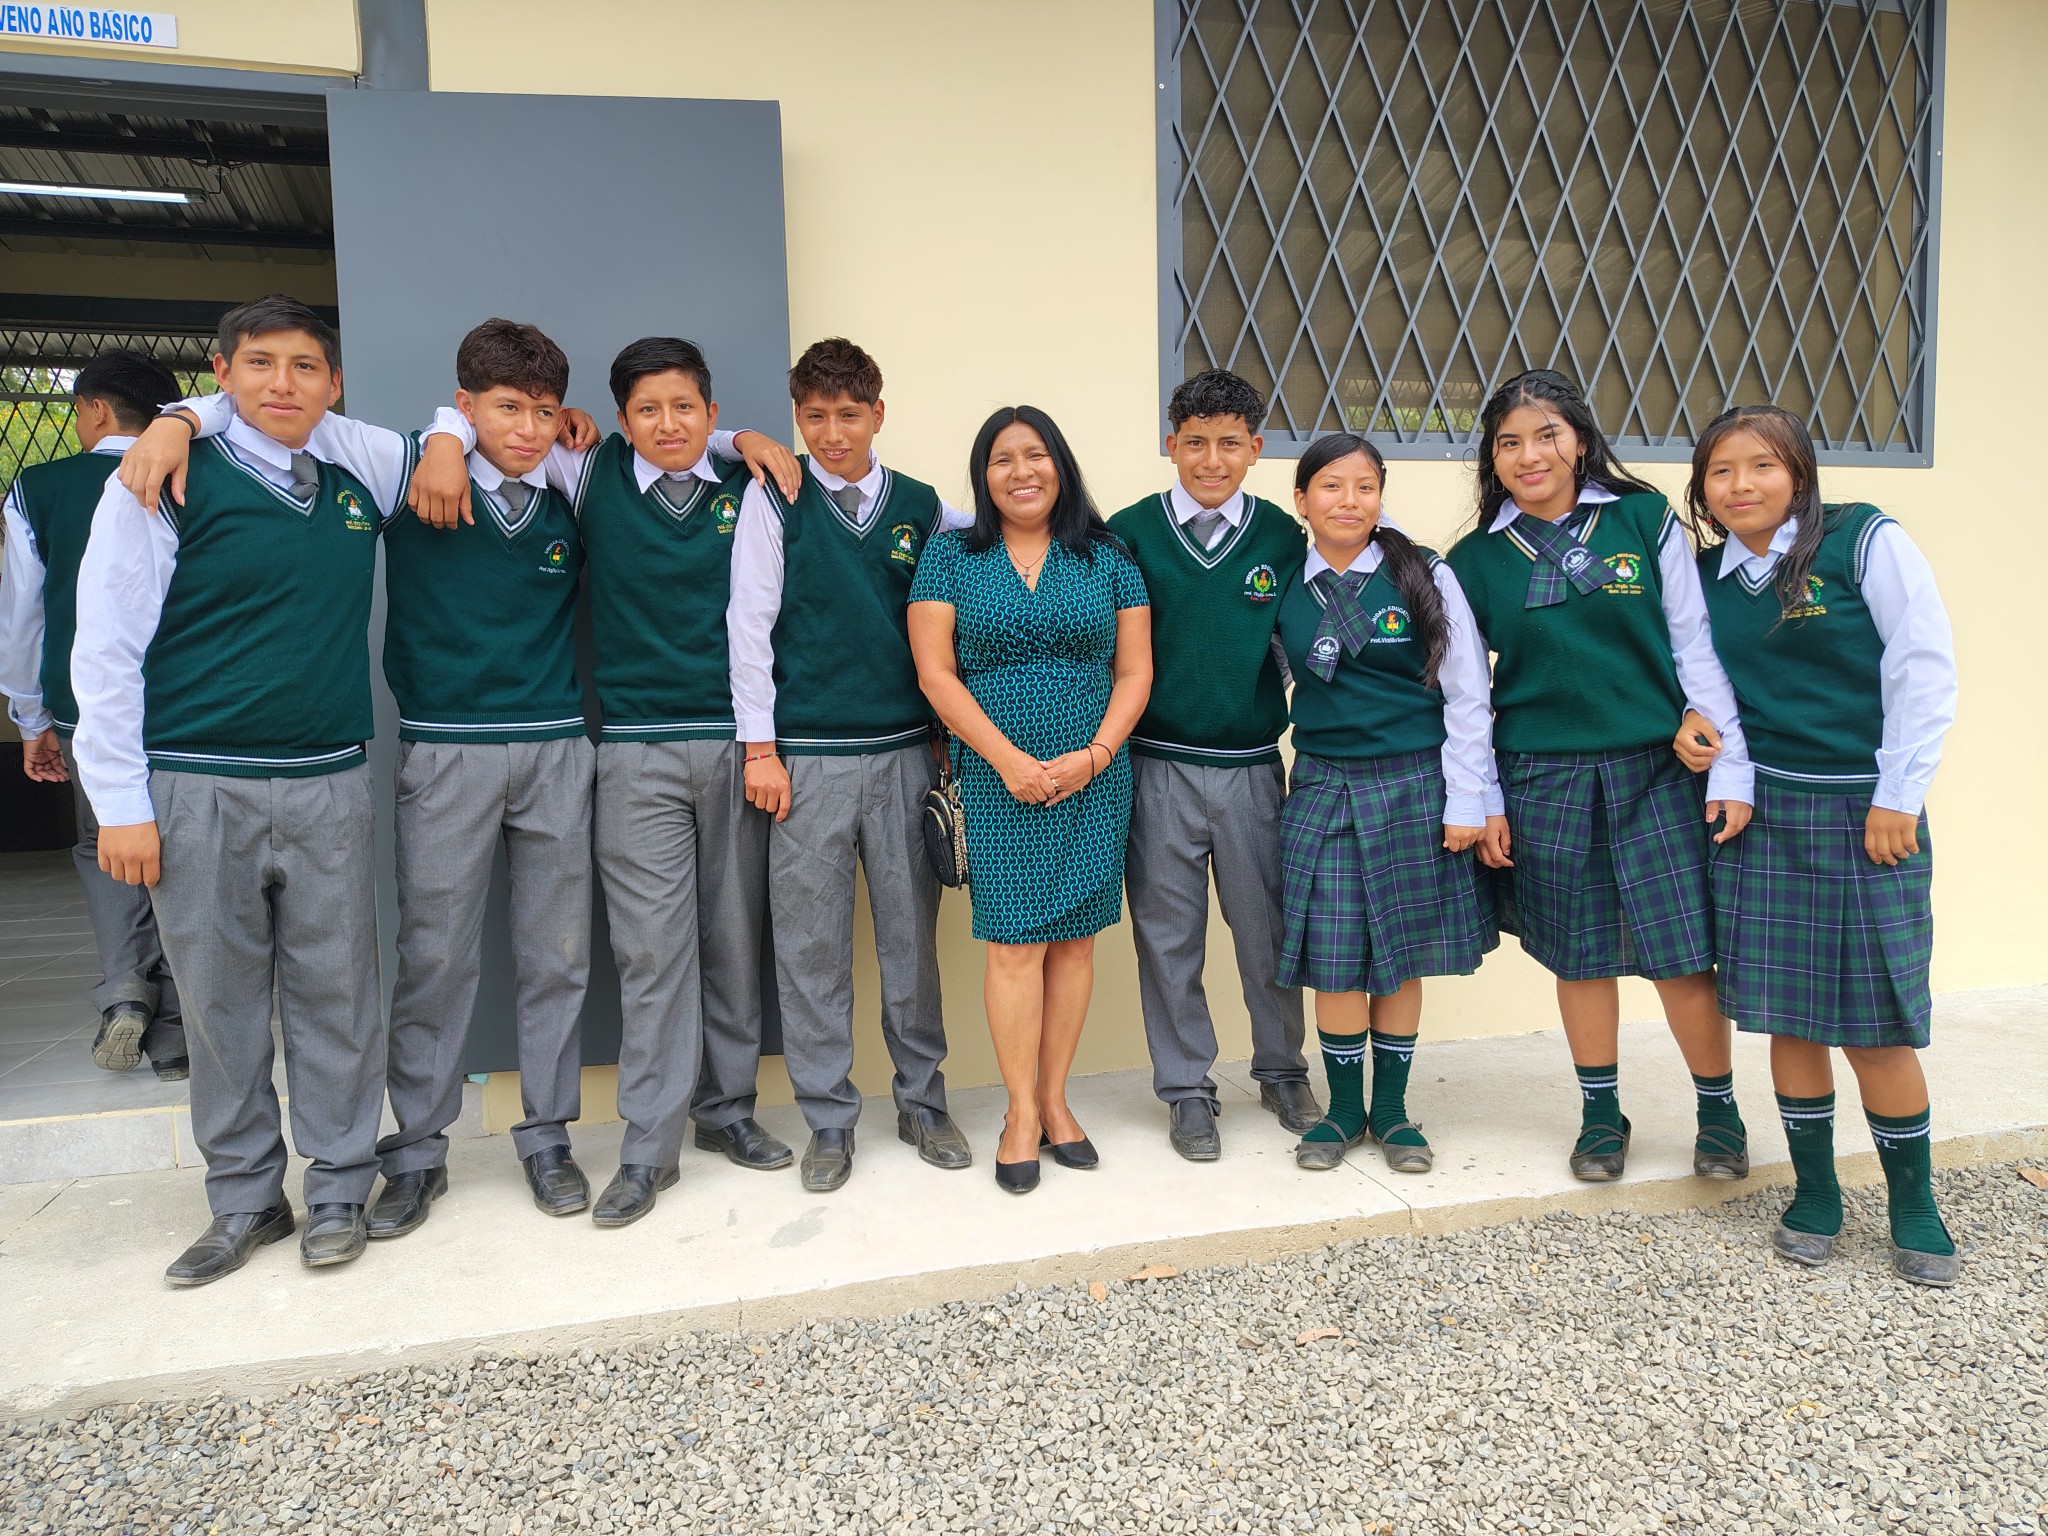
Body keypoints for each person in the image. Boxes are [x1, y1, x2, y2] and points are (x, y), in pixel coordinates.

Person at [415, 338, 799, 1227]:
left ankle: (727, 1111)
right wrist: (442, 434)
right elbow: (484, 434)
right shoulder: (585, 473)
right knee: (651, 953)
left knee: (734, 938)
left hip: (739, 743)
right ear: (621, 420)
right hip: (631, 751)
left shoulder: (749, 483)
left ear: (711, 412)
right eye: (647, 410)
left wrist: (747, 440)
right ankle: (648, 1149)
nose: (668, 424)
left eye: (686, 408)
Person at [75, 296, 394, 1285]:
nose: (282, 384)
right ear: (222, 371)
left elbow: (459, 437)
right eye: (258, 363)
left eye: (305, 366)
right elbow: (106, 647)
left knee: (341, 994)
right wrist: (120, 803)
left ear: (334, 383)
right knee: (218, 1003)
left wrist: (181, 413)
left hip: (329, 778)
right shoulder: (161, 479)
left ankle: (339, 1186)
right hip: (197, 782)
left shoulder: (358, 472)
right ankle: (247, 1198)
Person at [1444, 369, 1754, 1184]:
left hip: (1656, 769)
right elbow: (1468, 696)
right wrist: (1483, 797)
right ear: (1492, 459)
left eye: (1546, 435)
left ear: (1579, 440)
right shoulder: (1472, 561)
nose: (1529, 455)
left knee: (1681, 956)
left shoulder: (1643, 519)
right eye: (1508, 443)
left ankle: (1718, 1112)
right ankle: (1600, 1116)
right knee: (1579, 957)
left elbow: (1693, 643)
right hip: (1541, 776)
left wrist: (1720, 748)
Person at [1680, 404, 1960, 1286]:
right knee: (1791, 1019)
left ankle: (1914, 1204)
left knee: (1877, 1025)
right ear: (1703, 487)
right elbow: (1705, 680)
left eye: (1761, 465)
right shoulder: (1708, 575)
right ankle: (1815, 1193)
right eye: (1721, 471)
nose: (1740, 486)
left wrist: (1897, 795)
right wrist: (1697, 729)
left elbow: (1922, 666)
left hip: (1869, 812)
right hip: (1766, 815)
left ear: (1798, 471)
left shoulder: (1863, 541)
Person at [726, 338, 973, 1189]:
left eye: (849, 415)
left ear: (878, 414)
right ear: (797, 416)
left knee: (911, 943)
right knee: (811, 949)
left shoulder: (921, 506)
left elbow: (992, 547)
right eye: (815, 416)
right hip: (808, 761)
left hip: (905, 754)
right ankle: (828, 1118)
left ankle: (923, 1100)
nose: (832, 434)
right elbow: (749, 624)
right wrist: (761, 747)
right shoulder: (775, 495)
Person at [907, 406, 1151, 1194]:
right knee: (1013, 946)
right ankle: (1018, 1113)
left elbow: (1135, 671)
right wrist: (1009, 761)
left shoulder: (1109, 557)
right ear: (984, 476)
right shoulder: (949, 557)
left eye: (1035, 454)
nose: (1021, 472)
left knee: (1075, 942)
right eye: (1002, 459)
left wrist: (1096, 755)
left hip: (1093, 773)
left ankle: (1055, 1101)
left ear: (1060, 465)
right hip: (995, 775)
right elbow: (935, 674)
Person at [1105, 369, 1318, 1161]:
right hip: (1156, 765)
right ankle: (1187, 1088)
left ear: (1255, 449)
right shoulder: (1131, 532)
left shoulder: (1281, 537)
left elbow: (1296, 638)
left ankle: (1282, 1069)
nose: (1212, 459)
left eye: (1230, 443)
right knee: (1169, 938)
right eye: (1195, 442)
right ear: (1171, 445)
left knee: (1268, 930)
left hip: (1251, 766)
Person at [1274, 433, 1500, 1173]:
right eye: (1331, 487)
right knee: (1335, 957)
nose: (1349, 501)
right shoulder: (1283, 584)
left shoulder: (1423, 573)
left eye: (1365, 487)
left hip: (1415, 784)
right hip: (1323, 785)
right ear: (1301, 500)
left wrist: (1468, 798)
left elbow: (1468, 692)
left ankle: (1394, 1112)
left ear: (1380, 496)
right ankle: (1344, 1112)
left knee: (1399, 958)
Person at [0, 350, 186, 1081]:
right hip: (187, 702)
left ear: (97, 409)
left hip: (89, 703)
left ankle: (125, 992)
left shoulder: (39, 488)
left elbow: (21, 615)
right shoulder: (194, 473)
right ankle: (176, 1031)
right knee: (184, 852)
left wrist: (31, 717)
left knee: (103, 841)